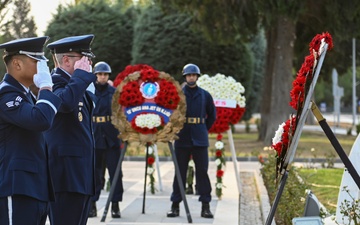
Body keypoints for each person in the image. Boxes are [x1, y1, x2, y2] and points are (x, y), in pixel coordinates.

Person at [0, 36, 61, 225]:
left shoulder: (24, 94)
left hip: (33, 187)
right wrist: (45, 86)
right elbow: (41, 120)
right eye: (37, 61)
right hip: (17, 187)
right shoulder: (7, 95)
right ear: (17, 64)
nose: (42, 67)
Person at [44, 34, 97, 225]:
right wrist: (81, 77)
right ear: (66, 59)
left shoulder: (77, 84)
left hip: (80, 175)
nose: (88, 63)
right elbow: (64, 103)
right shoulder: (54, 83)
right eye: (83, 58)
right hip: (65, 176)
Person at [167, 63, 216, 218]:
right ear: (185, 77)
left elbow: (212, 116)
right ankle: (175, 205)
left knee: (202, 172)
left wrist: (202, 129)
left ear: (197, 77)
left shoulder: (205, 95)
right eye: (189, 75)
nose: (191, 77)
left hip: (200, 138)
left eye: (194, 75)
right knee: (179, 172)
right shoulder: (178, 94)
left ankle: (205, 206)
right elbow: (171, 113)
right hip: (182, 137)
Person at [88, 61, 123, 218]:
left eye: (105, 74)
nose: (102, 77)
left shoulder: (114, 93)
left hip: (111, 136)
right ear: (95, 76)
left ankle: (115, 205)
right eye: (100, 74)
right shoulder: (89, 91)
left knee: (115, 172)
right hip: (95, 135)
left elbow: (121, 114)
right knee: (94, 173)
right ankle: (92, 204)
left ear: (108, 76)